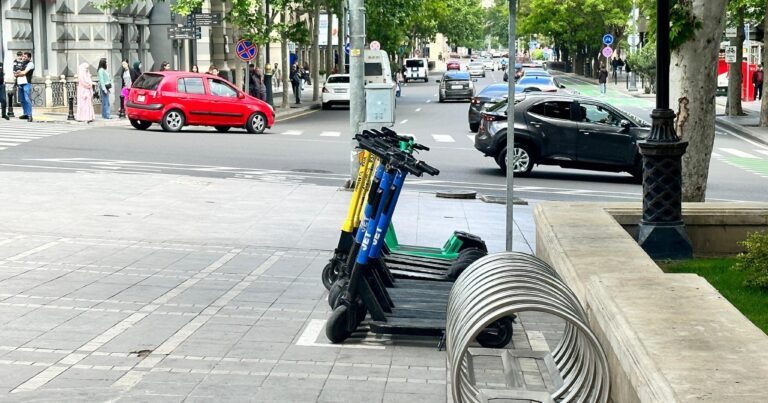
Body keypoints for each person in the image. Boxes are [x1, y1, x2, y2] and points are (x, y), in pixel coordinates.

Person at [14, 52, 34, 122]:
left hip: (26, 84)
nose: (24, 58)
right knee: (22, 100)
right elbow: (15, 73)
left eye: (25, 57)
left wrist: (18, 73)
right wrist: (18, 73)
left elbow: (24, 73)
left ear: (29, 57)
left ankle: (30, 115)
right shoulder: (22, 64)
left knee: (27, 99)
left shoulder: (30, 64)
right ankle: (25, 114)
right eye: (23, 57)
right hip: (20, 83)